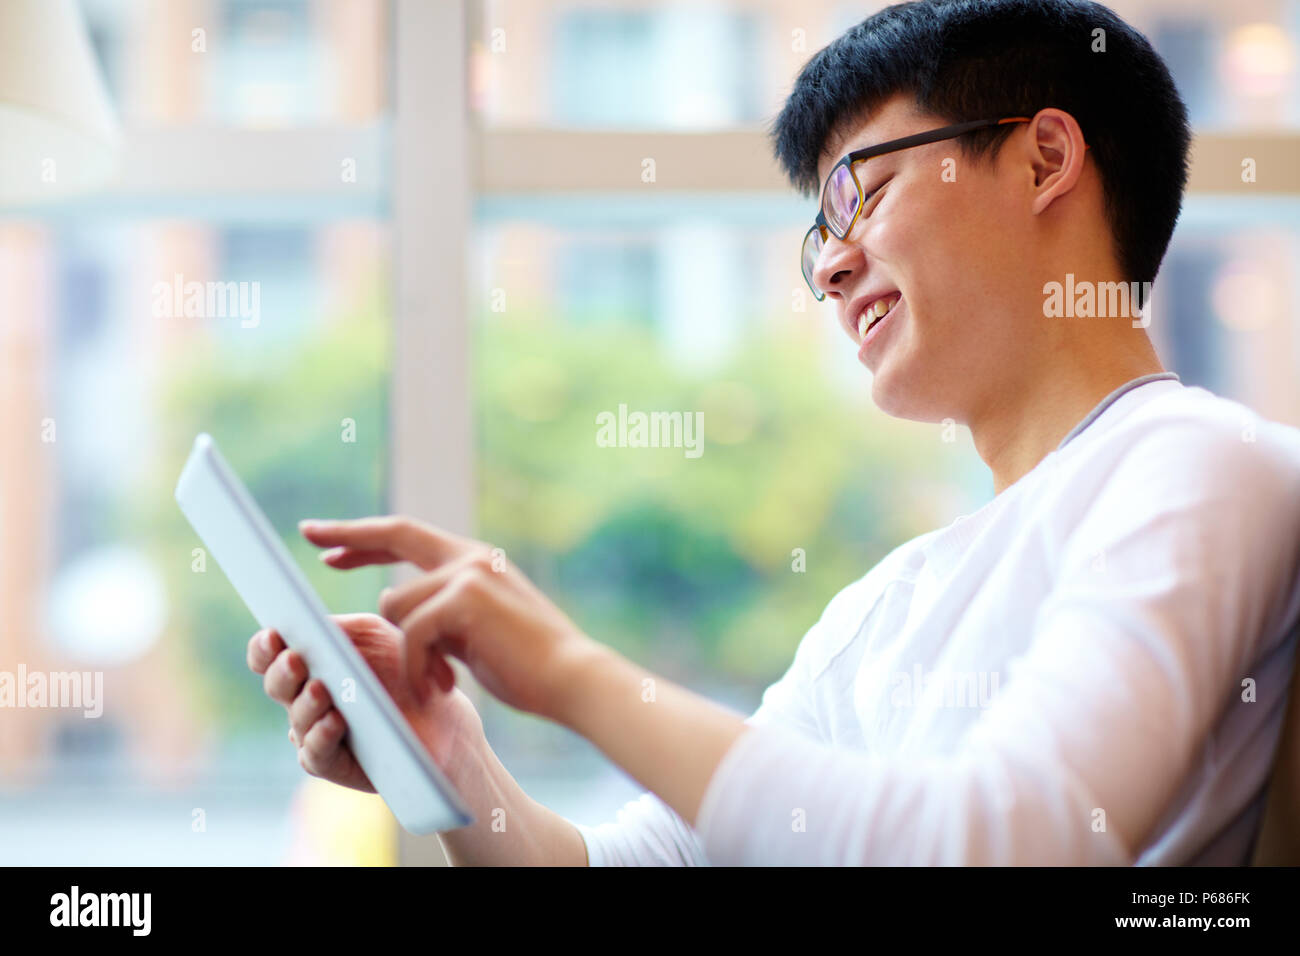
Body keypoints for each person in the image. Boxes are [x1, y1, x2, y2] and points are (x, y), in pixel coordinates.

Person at [247, 0, 1300, 864]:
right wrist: (451, 754)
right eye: (819, 234)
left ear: (1042, 160)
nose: (832, 267)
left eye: (866, 193)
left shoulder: (1201, 462)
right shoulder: (887, 604)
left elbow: (1009, 841)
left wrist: (569, 669)